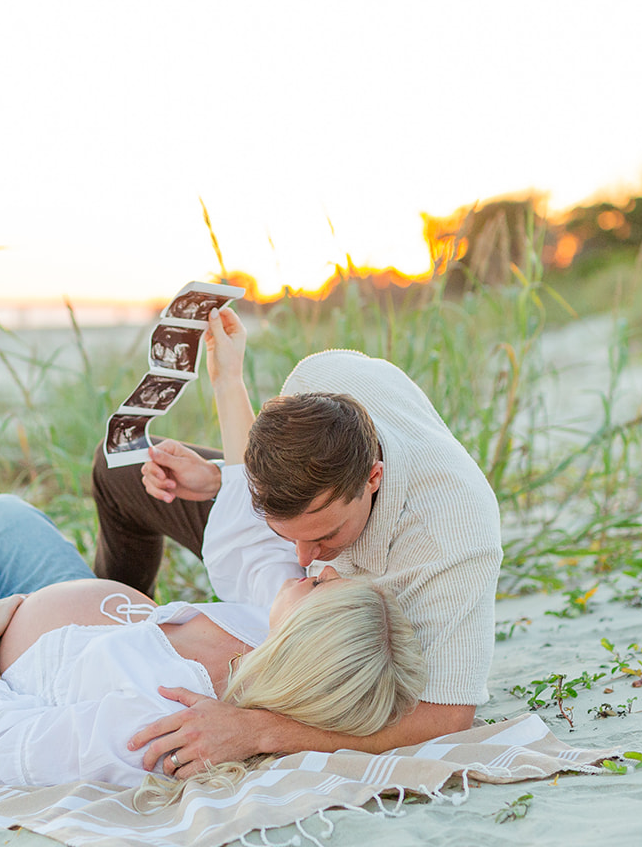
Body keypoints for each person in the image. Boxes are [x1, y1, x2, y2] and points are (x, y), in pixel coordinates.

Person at [0, 494, 424, 790]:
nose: (318, 566)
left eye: (321, 587)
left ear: (303, 642)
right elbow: (254, 505)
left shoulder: (172, 718)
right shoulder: (260, 626)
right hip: (82, 615)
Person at [92, 308, 502, 778]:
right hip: (299, 521)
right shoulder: (320, 377)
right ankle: (111, 612)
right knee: (118, 470)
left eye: (326, 537)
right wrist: (222, 480)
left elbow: (447, 717)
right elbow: (290, 498)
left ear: (373, 479)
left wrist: (256, 730)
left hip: (343, 605)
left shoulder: (449, 536)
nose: (304, 560)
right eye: (289, 539)